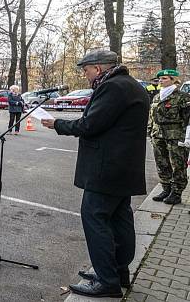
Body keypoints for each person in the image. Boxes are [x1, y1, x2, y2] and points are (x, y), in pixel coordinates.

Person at [42, 49, 149, 298]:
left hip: (106, 170)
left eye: (86, 69)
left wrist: (57, 124)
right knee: (120, 220)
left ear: (98, 68)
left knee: (95, 218)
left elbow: (90, 124)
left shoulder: (113, 87)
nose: (85, 74)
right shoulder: (130, 85)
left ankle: (107, 280)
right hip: (123, 169)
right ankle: (118, 272)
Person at [147, 69, 190, 205]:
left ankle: (176, 193)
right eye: (160, 78)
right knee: (162, 164)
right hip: (158, 136)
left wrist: (186, 137)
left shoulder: (182, 97)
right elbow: (151, 117)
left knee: (178, 165)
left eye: (164, 78)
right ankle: (166, 189)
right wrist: (149, 132)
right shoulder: (157, 97)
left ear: (173, 80)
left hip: (175, 137)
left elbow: (188, 119)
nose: (161, 80)